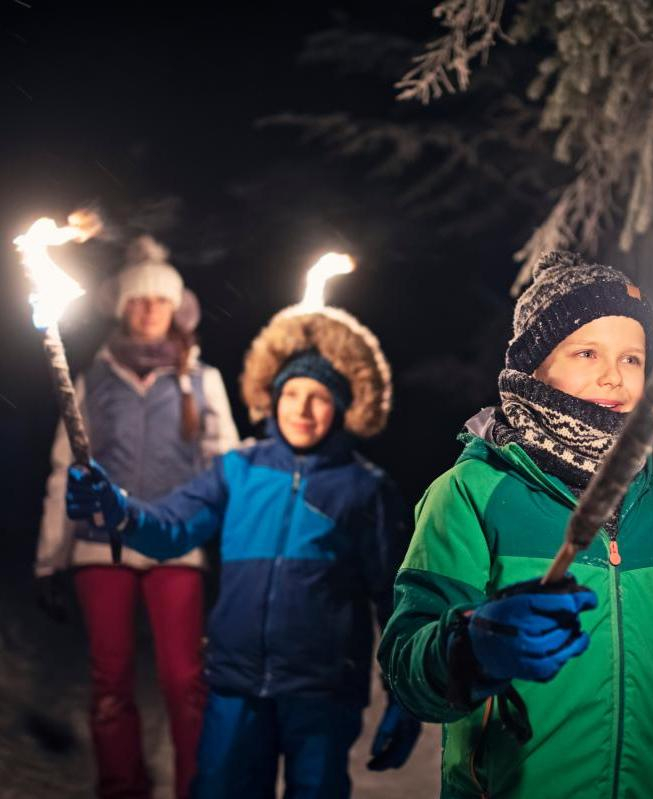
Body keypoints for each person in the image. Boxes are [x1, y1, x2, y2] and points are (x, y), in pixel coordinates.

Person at [377, 251, 653, 799]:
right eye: (587, 351)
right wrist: (470, 650)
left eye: (633, 359)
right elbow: (408, 660)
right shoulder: (472, 494)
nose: (612, 376)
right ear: (534, 363)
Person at [65, 302, 421, 798]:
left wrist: (406, 693)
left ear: (342, 407)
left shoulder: (365, 488)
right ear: (272, 397)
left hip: (321, 689)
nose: (301, 409)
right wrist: (118, 508)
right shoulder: (239, 470)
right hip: (236, 683)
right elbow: (171, 526)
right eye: (291, 393)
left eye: (319, 397)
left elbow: (394, 596)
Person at [36, 235, 240, 799]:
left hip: (179, 545)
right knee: (110, 682)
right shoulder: (94, 380)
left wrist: (230, 544)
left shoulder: (202, 380)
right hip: (100, 546)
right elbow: (63, 472)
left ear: (176, 310)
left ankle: (198, 787)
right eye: (139, 300)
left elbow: (226, 472)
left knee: (184, 680)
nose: (149, 310)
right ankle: (121, 785)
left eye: (160, 301)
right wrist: (50, 560)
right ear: (122, 306)